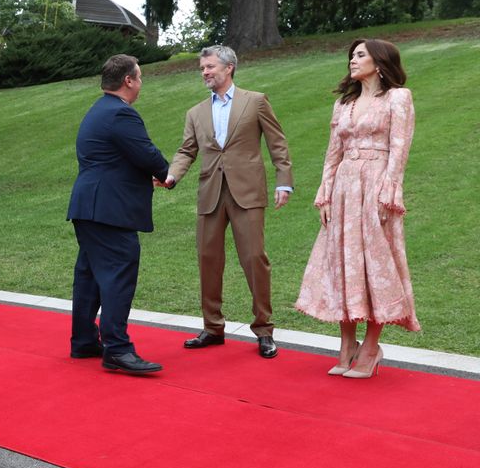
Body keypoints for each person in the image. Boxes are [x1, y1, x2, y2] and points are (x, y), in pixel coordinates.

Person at [296, 38, 419, 378]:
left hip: (376, 187)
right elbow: (332, 153)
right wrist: (325, 195)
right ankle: (347, 345)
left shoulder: (398, 98)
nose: (352, 60)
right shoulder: (344, 104)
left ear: (379, 63)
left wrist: (388, 193)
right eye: (351, 55)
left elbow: (400, 149)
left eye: (360, 55)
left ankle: (371, 347)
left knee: (376, 266)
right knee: (343, 263)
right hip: (344, 189)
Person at [166, 45, 293, 359]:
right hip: (210, 193)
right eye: (202, 68)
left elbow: (277, 143)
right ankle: (212, 328)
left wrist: (284, 181)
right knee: (208, 259)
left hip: (247, 192)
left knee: (254, 259)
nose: (205, 73)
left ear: (228, 67)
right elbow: (186, 151)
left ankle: (264, 329)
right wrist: (171, 176)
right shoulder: (195, 112)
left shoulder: (256, 101)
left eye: (209, 67)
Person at [68, 54, 171, 375]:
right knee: (118, 274)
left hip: (89, 206)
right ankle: (117, 348)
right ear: (128, 80)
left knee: (89, 276)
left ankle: (84, 340)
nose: (141, 83)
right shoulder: (121, 113)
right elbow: (146, 153)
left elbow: (114, 158)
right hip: (109, 210)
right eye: (139, 77)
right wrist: (167, 174)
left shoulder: (98, 110)